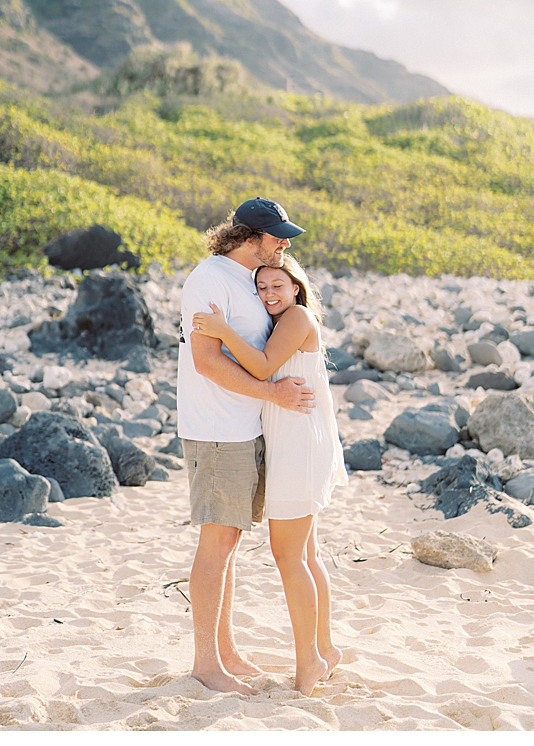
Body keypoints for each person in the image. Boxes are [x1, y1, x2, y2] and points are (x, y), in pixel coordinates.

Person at [176, 197, 316, 697]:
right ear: (249, 236)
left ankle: (226, 652)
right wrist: (273, 393)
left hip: (244, 426)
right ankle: (206, 664)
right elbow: (206, 362)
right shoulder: (209, 279)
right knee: (216, 544)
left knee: (229, 542)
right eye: (277, 236)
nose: (285, 244)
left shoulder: (248, 279)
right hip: (217, 428)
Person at [192, 252, 347, 695]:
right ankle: (324, 650)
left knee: (288, 556)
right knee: (306, 554)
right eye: (261, 288)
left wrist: (222, 333)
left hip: (298, 442)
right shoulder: (284, 323)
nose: (269, 293)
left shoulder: (297, 317)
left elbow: (261, 368)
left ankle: (309, 665)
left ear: (296, 286)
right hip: (296, 439)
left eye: (277, 284)